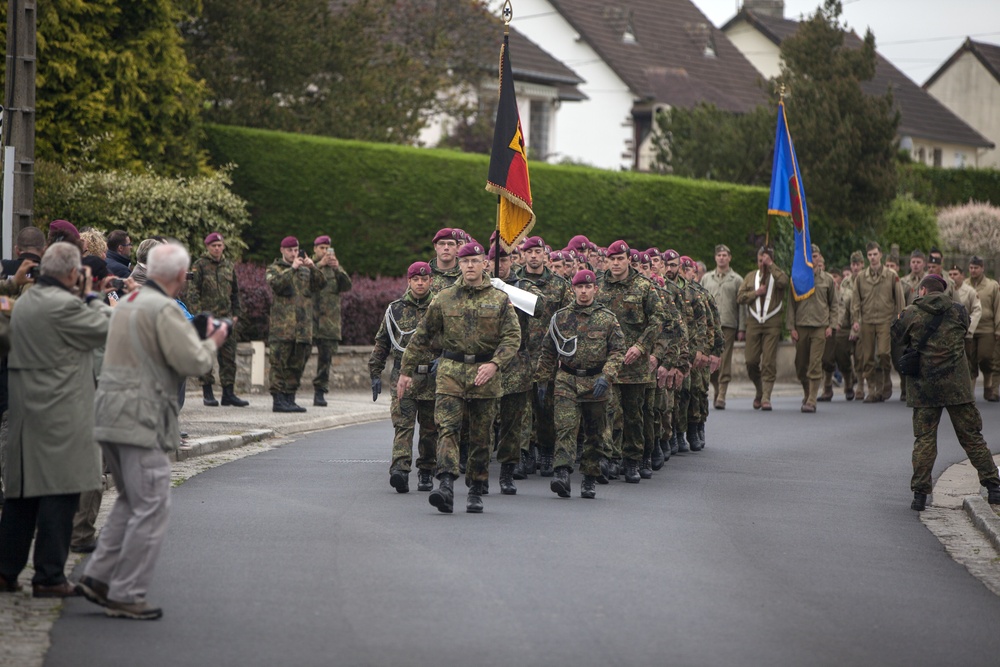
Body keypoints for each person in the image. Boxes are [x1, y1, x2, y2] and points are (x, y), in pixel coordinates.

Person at [77, 243, 227, 620]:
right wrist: (214, 340)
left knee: (130, 500)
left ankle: (97, 576)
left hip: (108, 413)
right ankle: (126, 591)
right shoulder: (164, 308)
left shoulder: (126, 303)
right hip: (139, 419)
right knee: (153, 504)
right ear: (180, 276)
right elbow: (192, 361)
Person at [0, 242, 112, 597]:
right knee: (60, 496)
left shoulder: (27, 301)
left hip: (25, 409)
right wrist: (92, 295)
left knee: (22, 498)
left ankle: (5, 570)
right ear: (71, 273)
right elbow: (104, 328)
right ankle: (49, 576)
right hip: (60, 413)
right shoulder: (64, 305)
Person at [397, 240, 520, 514]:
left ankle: (476, 489)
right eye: (465, 262)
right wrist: (406, 371)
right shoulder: (444, 298)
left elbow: (512, 338)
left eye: (476, 261)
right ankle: (446, 486)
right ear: (460, 265)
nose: (470, 266)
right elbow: (422, 336)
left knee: (480, 436)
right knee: (447, 430)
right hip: (450, 373)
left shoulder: (499, 299)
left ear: (484, 264)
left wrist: (495, 364)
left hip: (484, 375)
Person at [892, 274, 1000, 512]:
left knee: (924, 440)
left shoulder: (910, 313)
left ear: (922, 291)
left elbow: (896, 338)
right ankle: (994, 487)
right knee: (972, 437)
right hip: (957, 387)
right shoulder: (958, 312)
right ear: (943, 291)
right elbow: (964, 331)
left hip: (924, 388)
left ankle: (920, 496)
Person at [535, 269, 625, 499]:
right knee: (565, 427)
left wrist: (607, 376)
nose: (583, 292)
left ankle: (589, 477)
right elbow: (548, 349)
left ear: (595, 289)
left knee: (594, 433)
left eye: (588, 287)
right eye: (579, 287)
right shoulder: (561, 317)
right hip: (567, 379)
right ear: (573, 289)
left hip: (596, 381)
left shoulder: (607, 318)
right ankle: (562, 473)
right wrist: (543, 379)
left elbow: (618, 351)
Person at [597, 240, 664, 482]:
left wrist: (641, 346)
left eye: (620, 259)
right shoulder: (598, 285)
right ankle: (611, 457)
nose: (615, 263)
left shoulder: (644, 286)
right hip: (608, 362)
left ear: (628, 260)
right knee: (609, 411)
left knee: (634, 414)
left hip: (635, 363)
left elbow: (659, 319)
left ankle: (632, 460)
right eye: (611, 259)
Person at [369, 262, 437, 494]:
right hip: (403, 378)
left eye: (424, 279)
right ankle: (400, 469)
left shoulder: (440, 307)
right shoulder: (395, 309)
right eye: (415, 279)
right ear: (408, 281)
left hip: (433, 376)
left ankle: (427, 470)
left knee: (430, 429)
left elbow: (453, 339)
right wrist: (375, 372)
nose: (420, 283)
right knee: (403, 425)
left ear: (430, 281)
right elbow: (382, 342)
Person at [515, 236, 572, 478]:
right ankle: (524, 453)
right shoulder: (513, 282)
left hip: (549, 355)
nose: (535, 255)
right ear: (524, 255)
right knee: (521, 407)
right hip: (520, 353)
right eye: (530, 251)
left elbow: (570, 318)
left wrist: (564, 352)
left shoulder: (559, 284)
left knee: (546, 407)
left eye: (539, 251)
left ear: (545, 255)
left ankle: (547, 450)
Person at [188, 232, 249, 407]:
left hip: (226, 318)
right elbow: (193, 293)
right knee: (207, 355)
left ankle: (228, 394)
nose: (217, 248)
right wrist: (198, 316)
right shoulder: (199, 266)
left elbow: (236, 292)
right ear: (207, 247)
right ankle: (208, 393)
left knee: (229, 357)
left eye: (219, 245)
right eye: (213, 245)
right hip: (208, 319)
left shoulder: (229, 266)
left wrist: (236, 314)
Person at [266, 236, 326, 413]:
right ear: (282, 251)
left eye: (296, 250)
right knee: (279, 365)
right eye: (290, 250)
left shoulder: (305, 271)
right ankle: (278, 400)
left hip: (302, 328)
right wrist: (292, 269)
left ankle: (290, 398)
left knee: (297, 364)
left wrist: (312, 267)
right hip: (282, 328)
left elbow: (321, 283)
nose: (293, 253)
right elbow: (276, 285)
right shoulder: (274, 269)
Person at [851, 242, 905, 402]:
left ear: (880, 255)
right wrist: (855, 319)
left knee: (883, 353)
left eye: (875, 254)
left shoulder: (891, 275)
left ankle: (885, 378)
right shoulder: (861, 277)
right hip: (867, 320)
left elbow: (899, 299)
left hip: (885, 320)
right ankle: (872, 389)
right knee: (867, 357)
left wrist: (901, 317)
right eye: (869, 255)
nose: (872, 258)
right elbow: (855, 300)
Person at [787, 244, 837, 413]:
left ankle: (812, 399)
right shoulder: (797, 278)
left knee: (815, 363)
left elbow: (834, 305)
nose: (813, 259)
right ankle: (807, 391)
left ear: (819, 258)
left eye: (815, 256)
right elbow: (791, 305)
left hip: (820, 326)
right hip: (801, 326)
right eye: (810, 256)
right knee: (800, 365)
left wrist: (831, 325)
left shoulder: (828, 279)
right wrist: (791, 327)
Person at [737, 246, 787, 411]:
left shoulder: (777, 275)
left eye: (765, 261)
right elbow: (740, 297)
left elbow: (784, 282)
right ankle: (759, 389)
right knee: (751, 361)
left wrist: (771, 265)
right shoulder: (751, 277)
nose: (763, 264)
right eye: (760, 261)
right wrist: (755, 293)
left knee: (768, 362)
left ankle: (766, 396)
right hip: (754, 322)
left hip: (772, 322)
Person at [700, 243, 744, 409]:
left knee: (724, 359)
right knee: (710, 359)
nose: (722, 258)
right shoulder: (706, 278)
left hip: (728, 324)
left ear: (730, 258)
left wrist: (742, 328)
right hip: (709, 325)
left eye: (725, 255)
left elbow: (742, 306)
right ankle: (716, 387)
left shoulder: (737, 279)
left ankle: (722, 394)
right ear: (715, 257)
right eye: (719, 255)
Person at [311, 235, 353, 407]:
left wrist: (337, 269)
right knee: (300, 356)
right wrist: (318, 266)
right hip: (309, 320)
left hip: (329, 322)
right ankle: (289, 392)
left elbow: (347, 286)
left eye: (327, 248)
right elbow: (302, 281)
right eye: (321, 248)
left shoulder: (335, 268)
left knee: (325, 359)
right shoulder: (307, 265)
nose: (325, 251)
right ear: (315, 249)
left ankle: (320, 392)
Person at [968, 256, 1000, 401]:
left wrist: (998, 329)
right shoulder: (965, 285)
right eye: (971, 267)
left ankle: (988, 382)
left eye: (976, 268)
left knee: (986, 358)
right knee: (970, 361)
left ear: (982, 268)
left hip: (987, 328)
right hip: (969, 329)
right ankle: (970, 392)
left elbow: (998, 308)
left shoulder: (992, 286)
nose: (973, 270)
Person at [429, 228, 461, 293]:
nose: (446, 248)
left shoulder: (466, 273)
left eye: (451, 244)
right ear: (435, 246)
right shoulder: (425, 275)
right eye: (442, 244)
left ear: (457, 247)